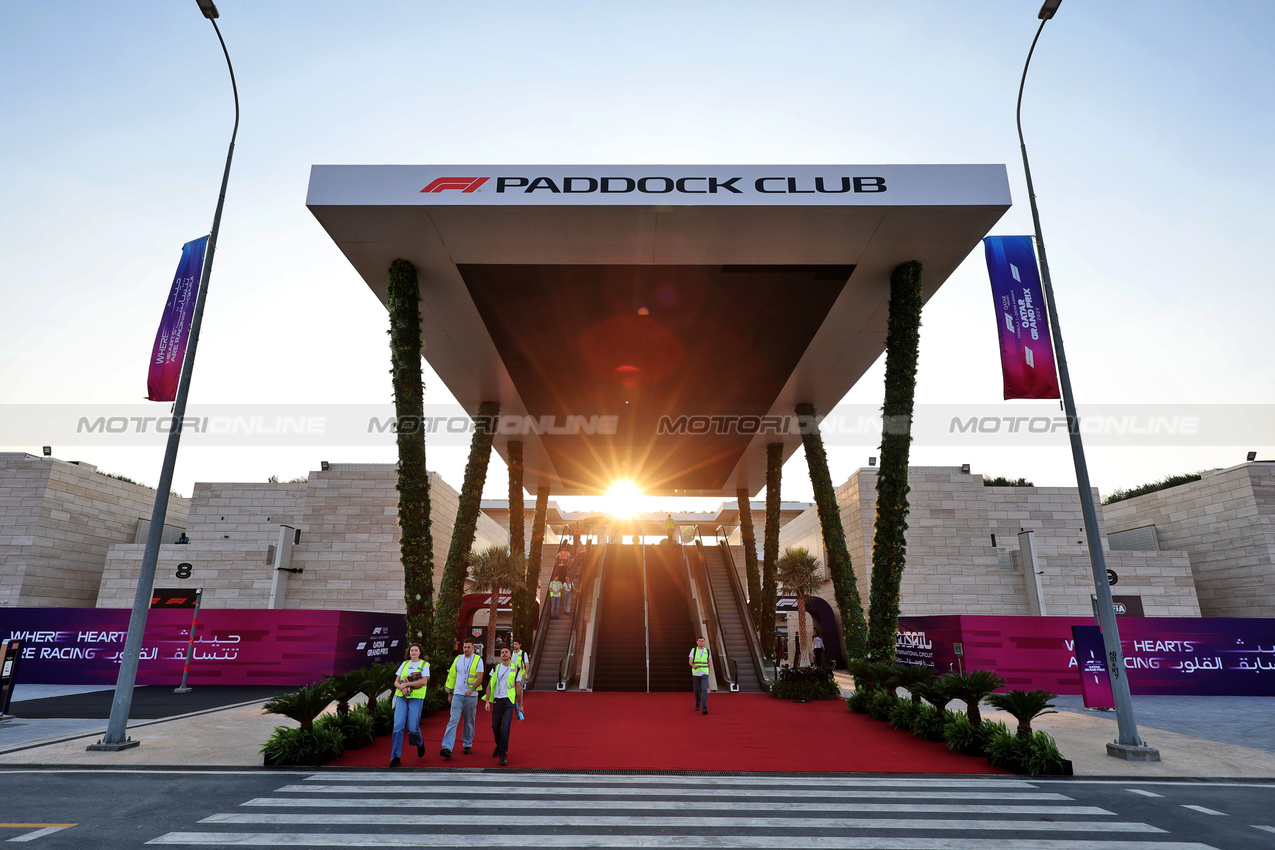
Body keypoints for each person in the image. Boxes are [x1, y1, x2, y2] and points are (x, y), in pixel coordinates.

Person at [439, 638, 484, 758]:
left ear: (473, 648)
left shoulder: (478, 660)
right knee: (453, 720)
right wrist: (450, 692)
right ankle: (447, 747)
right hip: (458, 694)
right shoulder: (458, 659)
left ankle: (467, 744)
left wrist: (472, 689)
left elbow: (480, 678)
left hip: (471, 696)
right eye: (464, 647)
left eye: (468, 647)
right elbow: (452, 676)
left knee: (469, 721)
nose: (466, 649)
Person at [388, 643, 429, 767]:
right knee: (398, 726)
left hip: (416, 698)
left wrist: (406, 685)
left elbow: (423, 682)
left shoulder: (424, 665)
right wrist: (402, 687)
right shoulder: (404, 664)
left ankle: (419, 742)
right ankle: (395, 756)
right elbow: (396, 682)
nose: (414, 652)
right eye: (412, 650)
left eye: (416, 650)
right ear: (409, 652)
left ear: (420, 652)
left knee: (412, 728)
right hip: (402, 697)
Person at [483, 646, 522, 765]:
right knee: (495, 727)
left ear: (510, 655)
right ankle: (499, 745)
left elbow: (519, 688)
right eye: (502, 652)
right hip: (497, 701)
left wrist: (520, 704)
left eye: (506, 652)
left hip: (509, 701)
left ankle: (503, 754)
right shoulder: (496, 668)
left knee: (505, 728)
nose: (504, 654)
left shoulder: (516, 669)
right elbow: (490, 685)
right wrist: (487, 701)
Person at [689, 635, 711, 714]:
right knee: (697, 689)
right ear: (697, 642)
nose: (701, 642)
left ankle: (704, 707)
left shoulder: (707, 651)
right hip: (696, 673)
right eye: (700, 641)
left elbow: (709, 662)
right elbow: (690, 661)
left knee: (704, 689)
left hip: (704, 672)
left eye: (702, 641)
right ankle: (698, 703)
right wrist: (693, 665)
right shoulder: (693, 650)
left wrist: (709, 671)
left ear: (704, 642)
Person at [510, 638, 530, 720]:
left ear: (520, 645)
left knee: (519, 691)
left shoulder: (523, 653)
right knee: (511, 691)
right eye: (514, 644)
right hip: (512, 675)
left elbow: (527, 664)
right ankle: (511, 707)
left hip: (520, 675)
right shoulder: (511, 653)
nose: (514, 646)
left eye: (516, 644)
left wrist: (525, 673)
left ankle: (520, 706)